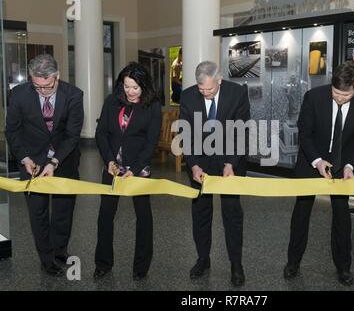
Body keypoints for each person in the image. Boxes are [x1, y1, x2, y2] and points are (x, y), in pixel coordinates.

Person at [283, 61, 354, 286]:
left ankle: (343, 267)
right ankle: (293, 262)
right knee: (301, 213)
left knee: (342, 215)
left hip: (343, 165)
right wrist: (317, 161)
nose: (340, 98)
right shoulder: (314, 97)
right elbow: (305, 133)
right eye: (336, 93)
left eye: (346, 95)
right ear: (331, 85)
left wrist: (350, 166)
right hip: (312, 160)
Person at [5, 54, 84, 277]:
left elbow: (72, 135)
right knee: (38, 212)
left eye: (47, 86)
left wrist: (54, 162)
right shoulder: (20, 94)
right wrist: (24, 158)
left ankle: (60, 251)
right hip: (31, 162)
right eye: (37, 86)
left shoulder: (74, 95)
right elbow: (12, 130)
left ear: (57, 77)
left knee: (63, 210)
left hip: (64, 159)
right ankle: (46, 258)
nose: (42, 91)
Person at [179, 61, 250, 287]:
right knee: (200, 213)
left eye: (209, 89)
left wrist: (231, 163)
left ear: (219, 80)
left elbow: (242, 131)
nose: (205, 93)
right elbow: (186, 134)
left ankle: (236, 264)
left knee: (232, 214)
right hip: (201, 162)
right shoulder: (189, 96)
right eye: (201, 89)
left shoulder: (237, 93)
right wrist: (194, 166)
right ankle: (202, 259)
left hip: (230, 162)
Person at [93, 62, 162, 281]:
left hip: (138, 169)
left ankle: (141, 267)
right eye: (126, 86)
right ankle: (103, 263)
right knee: (105, 216)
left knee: (143, 217)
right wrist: (109, 160)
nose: (130, 92)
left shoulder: (153, 106)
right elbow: (101, 133)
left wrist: (134, 169)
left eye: (135, 88)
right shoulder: (112, 101)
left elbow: (151, 141)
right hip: (112, 167)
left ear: (144, 86)